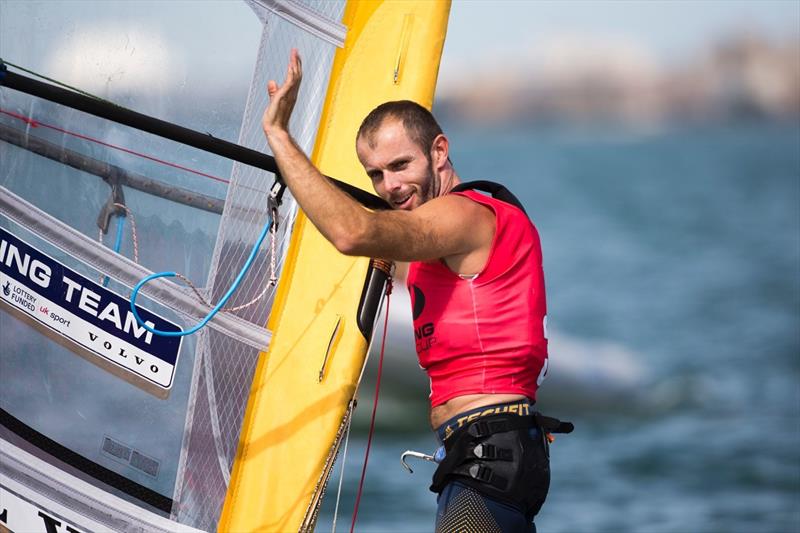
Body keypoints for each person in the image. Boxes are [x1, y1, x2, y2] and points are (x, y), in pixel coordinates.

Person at [263, 49, 563, 533]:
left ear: (439, 151)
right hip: (481, 457)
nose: (390, 186)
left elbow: (352, 233)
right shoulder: (436, 247)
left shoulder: (465, 216)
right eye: (376, 175)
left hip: (490, 459)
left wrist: (280, 137)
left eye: (401, 165)